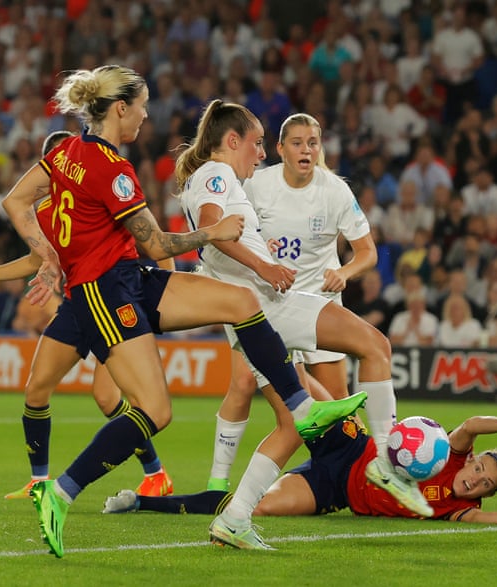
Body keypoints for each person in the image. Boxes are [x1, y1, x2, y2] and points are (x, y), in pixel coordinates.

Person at [0, 65, 365, 558]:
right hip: (108, 293)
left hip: (130, 280)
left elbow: (15, 201)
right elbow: (158, 244)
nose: (147, 116)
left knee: (241, 301)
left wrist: (48, 254)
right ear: (121, 109)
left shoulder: (66, 151)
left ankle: (303, 408)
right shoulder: (113, 170)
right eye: (143, 107)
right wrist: (211, 235)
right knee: (155, 410)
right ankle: (60, 492)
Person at [174, 100, 431, 550]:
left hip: (267, 305)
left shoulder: (235, 179)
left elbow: (213, 234)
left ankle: (234, 518)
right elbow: (215, 229)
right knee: (375, 347)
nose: (260, 154)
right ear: (233, 141)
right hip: (267, 304)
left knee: (298, 424)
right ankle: (386, 466)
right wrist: (264, 266)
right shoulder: (219, 175)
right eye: (257, 144)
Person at [0, 130, 177, 500]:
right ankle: (40, 482)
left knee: (109, 398)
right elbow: (33, 261)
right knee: (36, 390)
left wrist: (169, 291)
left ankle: (156, 474)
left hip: (111, 300)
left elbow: (154, 239)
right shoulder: (44, 212)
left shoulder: (100, 193)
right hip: (77, 305)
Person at [205, 113, 378, 493]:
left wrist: (346, 273)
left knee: (338, 409)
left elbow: (367, 253)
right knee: (243, 380)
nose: (306, 150)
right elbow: (230, 231)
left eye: (312, 142)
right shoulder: (256, 185)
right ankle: (217, 483)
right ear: (279, 149)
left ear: (320, 148)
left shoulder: (335, 191)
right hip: (271, 304)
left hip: (321, 306)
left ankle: (354, 476)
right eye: (297, 143)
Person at [103, 414, 497, 526]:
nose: (475, 477)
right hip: (354, 444)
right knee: (300, 398)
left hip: (335, 488)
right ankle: (271, 349)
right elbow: (472, 425)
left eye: (485, 483)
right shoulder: (451, 455)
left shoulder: (460, 507)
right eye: (481, 466)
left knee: (256, 507)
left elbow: (483, 519)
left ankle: (142, 501)